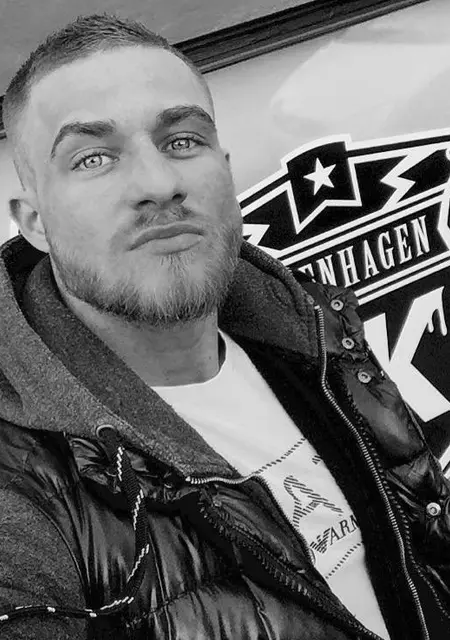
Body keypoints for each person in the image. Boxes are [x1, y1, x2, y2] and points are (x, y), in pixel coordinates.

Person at [0, 12, 448, 640]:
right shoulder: (23, 491)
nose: (159, 184)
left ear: (226, 168)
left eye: (183, 141)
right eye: (94, 157)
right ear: (34, 222)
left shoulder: (314, 337)